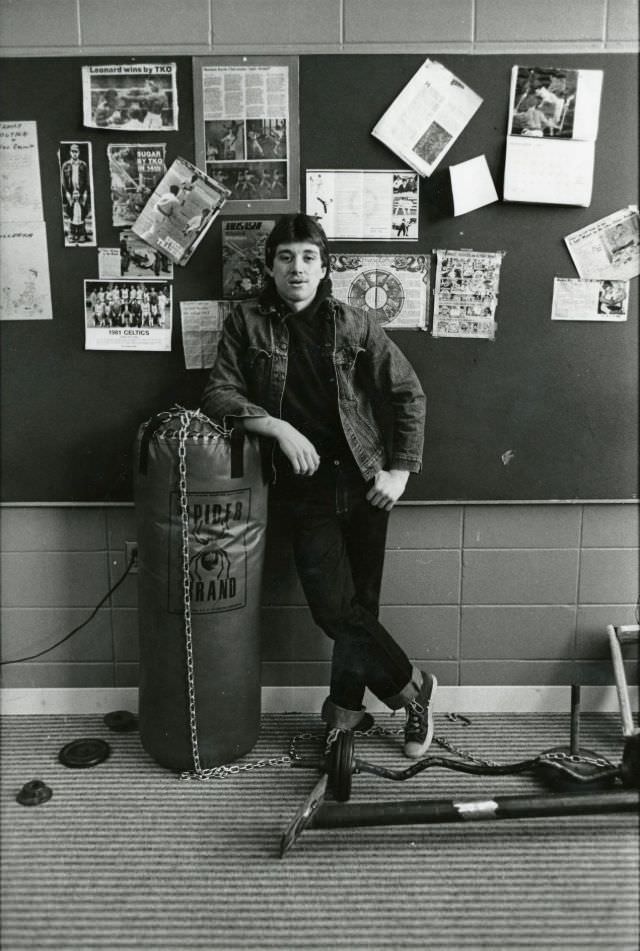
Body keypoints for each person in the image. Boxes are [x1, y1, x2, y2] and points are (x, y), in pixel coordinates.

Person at [201, 214, 436, 759]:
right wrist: (278, 428)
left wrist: (399, 471)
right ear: (270, 266)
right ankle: (414, 690)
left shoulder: (355, 322)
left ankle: (346, 717)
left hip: (365, 482)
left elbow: (408, 394)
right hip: (301, 488)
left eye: (308, 257)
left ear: (325, 266)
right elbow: (218, 394)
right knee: (335, 610)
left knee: (361, 607)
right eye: (286, 257)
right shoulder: (246, 323)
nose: (297, 268)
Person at [60, 143, 90, 243]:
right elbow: (63, 181)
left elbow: (87, 180)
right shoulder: (66, 165)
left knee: (81, 213)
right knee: (71, 212)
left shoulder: (83, 165)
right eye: (73, 152)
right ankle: (72, 234)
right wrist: (67, 193)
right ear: (70, 153)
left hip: (81, 192)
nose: (74, 154)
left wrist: (85, 192)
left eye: (76, 152)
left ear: (79, 153)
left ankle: (82, 234)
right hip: (70, 192)